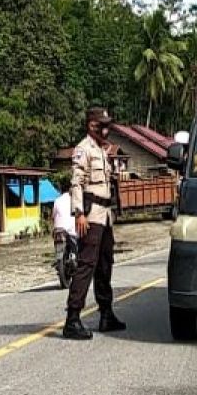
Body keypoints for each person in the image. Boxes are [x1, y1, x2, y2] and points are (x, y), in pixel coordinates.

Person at [63, 107, 127, 340]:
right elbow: (76, 183)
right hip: (90, 215)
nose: (107, 129)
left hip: (105, 214)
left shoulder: (101, 150)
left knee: (105, 264)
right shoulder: (83, 149)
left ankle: (106, 314)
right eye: (103, 124)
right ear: (91, 125)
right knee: (86, 265)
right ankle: (72, 319)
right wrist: (78, 213)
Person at [52, 180, 78, 273]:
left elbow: (53, 215)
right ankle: (74, 258)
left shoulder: (57, 200)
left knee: (56, 243)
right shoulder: (74, 200)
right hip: (70, 230)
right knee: (77, 245)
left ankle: (58, 259)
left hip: (58, 230)